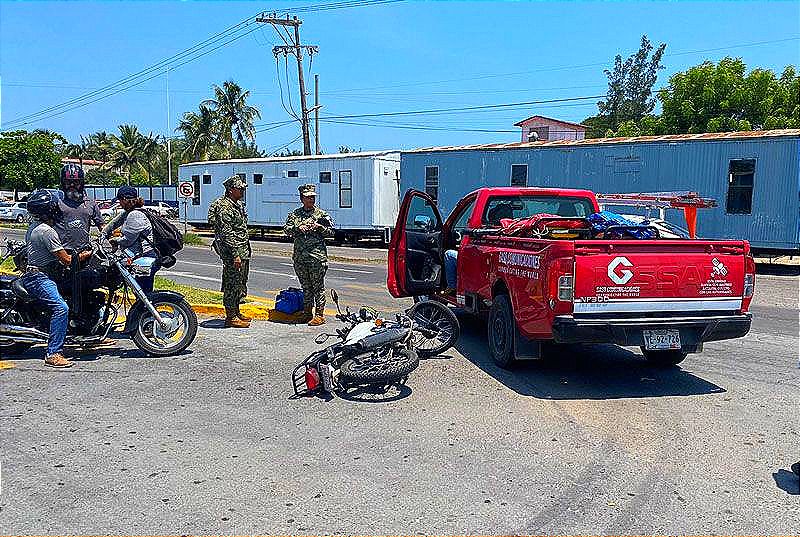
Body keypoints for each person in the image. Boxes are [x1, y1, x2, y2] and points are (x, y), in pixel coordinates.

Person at [21, 189, 92, 368]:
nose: (58, 209)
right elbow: (67, 260)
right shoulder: (47, 232)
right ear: (49, 211)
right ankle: (53, 353)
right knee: (61, 308)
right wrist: (87, 253)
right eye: (55, 206)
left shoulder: (35, 226)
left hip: (42, 273)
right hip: (39, 277)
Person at [284, 184, 334, 326]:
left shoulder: (321, 215)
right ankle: (307, 312)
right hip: (300, 257)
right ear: (302, 199)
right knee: (306, 286)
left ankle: (319, 315)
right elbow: (286, 230)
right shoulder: (295, 215)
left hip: (316, 257)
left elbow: (332, 233)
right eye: (308, 197)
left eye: (313, 197)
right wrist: (298, 228)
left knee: (317, 287)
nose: (311, 199)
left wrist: (320, 228)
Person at [208, 175, 251, 328]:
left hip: (242, 249)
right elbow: (226, 233)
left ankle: (236, 311)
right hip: (234, 252)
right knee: (232, 284)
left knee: (240, 283)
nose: (243, 190)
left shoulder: (237, 205)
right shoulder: (225, 207)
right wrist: (235, 254)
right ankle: (230, 316)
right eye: (240, 188)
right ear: (231, 190)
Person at [102, 186, 159, 293]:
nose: (119, 203)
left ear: (125, 200)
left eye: (120, 200)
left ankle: (146, 309)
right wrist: (103, 233)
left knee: (142, 292)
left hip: (145, 257)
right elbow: (115, 222)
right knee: (143, 290)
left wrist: (115, 240)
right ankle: (144, 308)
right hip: (144, 256)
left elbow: (128, 240)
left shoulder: (135, 215)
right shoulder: (132, 211)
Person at [55, 163, 104, 252]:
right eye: (68, 182)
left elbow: (101, 226)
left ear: (81, 183)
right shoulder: (56, 202)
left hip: (84, 251)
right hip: (62, 253)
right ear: (62, 182)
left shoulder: (90, 202)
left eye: (76, 182)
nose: (72, 185)